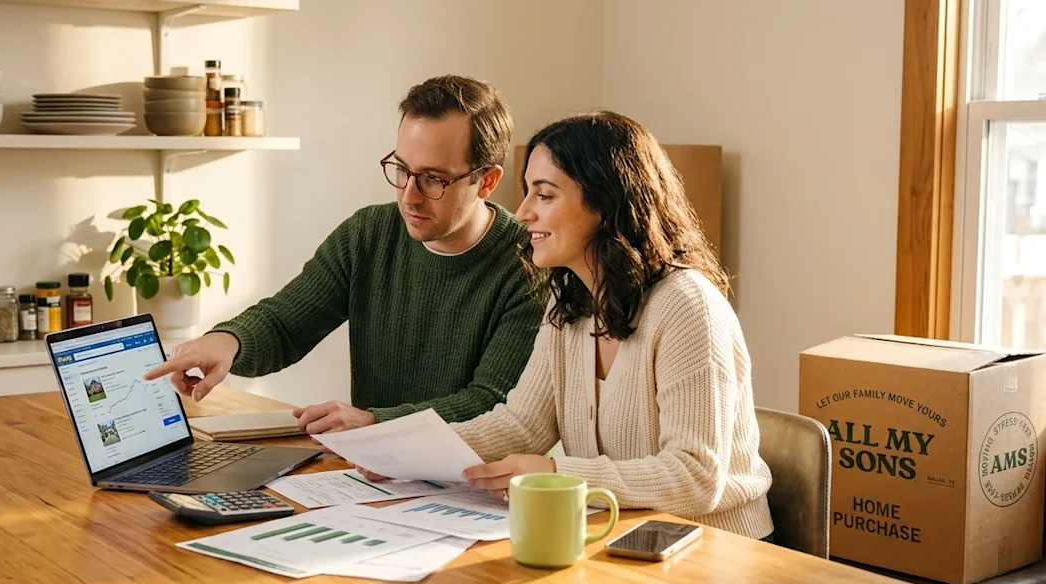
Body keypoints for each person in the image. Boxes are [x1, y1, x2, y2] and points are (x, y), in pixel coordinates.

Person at [144, 75, 542, 436]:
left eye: (433, 179)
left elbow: (491, 404)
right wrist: (226, 341)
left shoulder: (530, 264)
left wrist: (373, 422)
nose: (408, 195)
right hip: (375, 473)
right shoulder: (369, 234)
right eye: (401, 169)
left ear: (486, 181)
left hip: (471, 487)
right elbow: (285, 323)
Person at [451, 110, 774, 540]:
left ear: (604, 204)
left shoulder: (687, 306)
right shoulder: (570, 303)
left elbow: (696, 478)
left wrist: (556, 471)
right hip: (623, 539)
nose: (523, 211)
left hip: (719, 551)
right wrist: (405, 450)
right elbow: (523, 425)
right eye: (528, 192)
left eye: (544, 195)